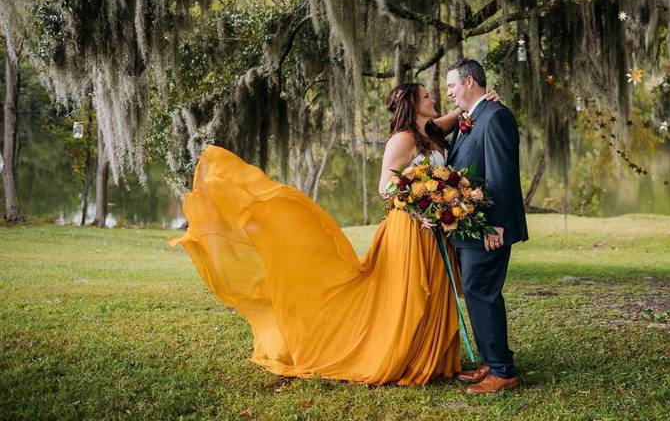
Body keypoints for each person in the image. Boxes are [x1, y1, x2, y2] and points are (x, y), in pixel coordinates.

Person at [171, 82, 499, 386]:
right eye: (427, 96)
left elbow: (457, 116)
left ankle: (432, 355)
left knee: (433, 291)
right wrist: (418, 209)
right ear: (414, 104)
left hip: (432, 230)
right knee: (410, 292)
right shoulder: (402, 138)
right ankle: (405, 355)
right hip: (410, 228)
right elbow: (385, 187)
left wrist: (482, 102)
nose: (433, 99)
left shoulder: (429, 130)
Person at [445, 58, 528, 394]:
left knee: (483, 294)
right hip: (471, 227)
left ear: (468, 82)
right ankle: (491, 361)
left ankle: (502, 371)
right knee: (478, 294)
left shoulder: (495, 117)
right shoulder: (474, 118)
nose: (449, 92)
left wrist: (495, 224)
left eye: (452, 85)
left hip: (487, 229)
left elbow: (501, 174)